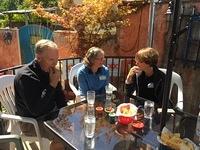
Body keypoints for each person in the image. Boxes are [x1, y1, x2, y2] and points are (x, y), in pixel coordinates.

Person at [14, 39, 67, 150]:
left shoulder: (50, 71)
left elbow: (60, 100)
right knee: (63, 137)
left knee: (76, 127)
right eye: (51, 59)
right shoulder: (26, 76)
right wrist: (52, 84)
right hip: (31, 122)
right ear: (38, 57)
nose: (55, 63)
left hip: (50, 115)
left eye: (57, 59)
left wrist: (66, 115)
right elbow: (36, 110)